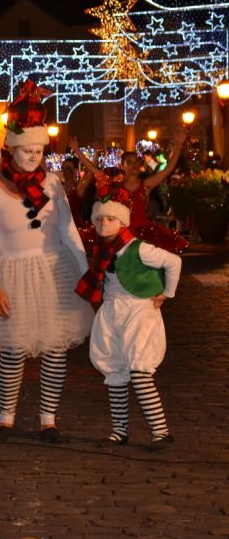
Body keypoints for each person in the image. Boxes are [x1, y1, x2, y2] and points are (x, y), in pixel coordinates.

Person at [0, 80, 93, 444]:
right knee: (14, 349)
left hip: (54, 272)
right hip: (13, 273)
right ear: (10, 149)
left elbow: (69, 230)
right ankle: (6, 417)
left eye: (39, 151)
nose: (33, 157)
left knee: (56, 349)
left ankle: (48, 419)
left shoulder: (53, 184)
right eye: (26, 150)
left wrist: (89, 275)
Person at [77, 191, 181, 450]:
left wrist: (167, 293)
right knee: (115, 370)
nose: (104, 224)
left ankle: (161, 432)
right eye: (99, 220)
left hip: (139, 312)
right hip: (113, 312)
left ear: (122, 222)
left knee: (139, 370)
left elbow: (173, 261)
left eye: (110, 219)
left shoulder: (139, 248)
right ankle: (120, 431)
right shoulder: (102, 251)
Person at [68, 130, 188, 254]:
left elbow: (168, 169)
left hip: (143, 233)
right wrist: (77, 150)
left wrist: (178, 145)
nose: (134, 164)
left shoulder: (145, 185)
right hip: (118, 234)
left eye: (136, 161)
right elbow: (93, 170)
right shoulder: (115, 185)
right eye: (129, 162)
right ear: (122, 165)